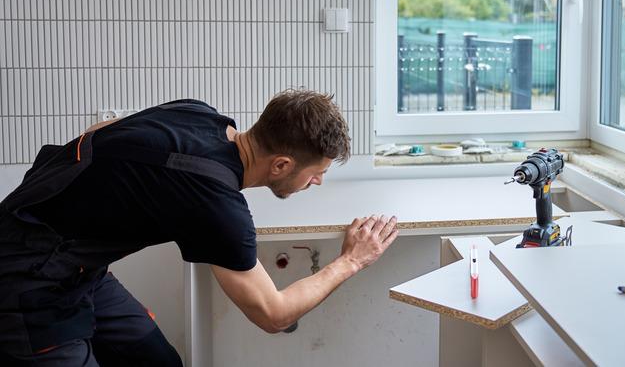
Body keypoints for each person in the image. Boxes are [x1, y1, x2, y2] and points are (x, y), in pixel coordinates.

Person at [0, 89, 398, 366]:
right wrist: (351, 261)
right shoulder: (217, 204)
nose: (318, 183)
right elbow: (273, 315)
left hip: (78, 268)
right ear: (281, 165)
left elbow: (97, 132)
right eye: (317, 173)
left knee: (154, 360)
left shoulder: (198, 113)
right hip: (27, 281)